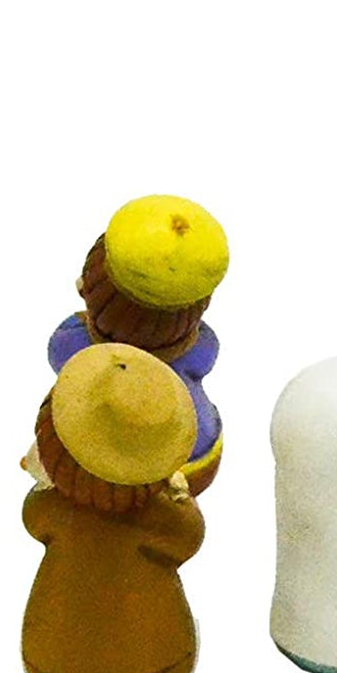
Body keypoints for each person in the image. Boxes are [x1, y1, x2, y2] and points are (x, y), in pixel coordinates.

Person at [22, 343, 204, 673]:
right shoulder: (157, 515)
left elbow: (33, 520)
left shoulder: (54, 508)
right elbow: (187, 539)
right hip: (157, 658)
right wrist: (180, 500)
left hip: (53, 655)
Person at [47, 194, 229, 496]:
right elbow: (206, 356)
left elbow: (59, 354)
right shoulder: (201, 345)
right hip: (198, 448)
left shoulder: (75, 341)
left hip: (108, 467)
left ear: (89, 289)